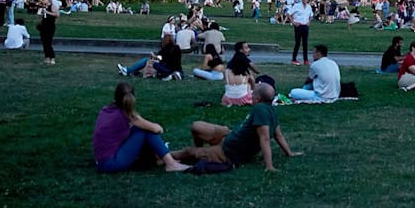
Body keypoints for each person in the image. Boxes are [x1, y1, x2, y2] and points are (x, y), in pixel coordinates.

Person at [172, 82, 303, 171]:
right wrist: (289, 153)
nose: (251, 95)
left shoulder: (260, 110)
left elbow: (265, 139)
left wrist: (269, 166)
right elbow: (278, 134)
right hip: (229, 136)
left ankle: (163, 156)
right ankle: (202, 150)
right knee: (197, 126)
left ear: (257, 99)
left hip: (228, 152)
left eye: (252, 94)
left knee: (188, 152)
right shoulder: (270, 109)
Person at [92, 82, 190, 173]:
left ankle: (157, 160)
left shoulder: (107, 109)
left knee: (138, 130)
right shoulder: (127, 116)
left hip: (102, 160)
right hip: (109, 163)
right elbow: (157, 129)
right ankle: (171, 164)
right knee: (145, 131)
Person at [223, 42, 258, 106]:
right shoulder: (245, 69)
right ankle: (251, 94)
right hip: (243, 99)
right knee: (249, 82)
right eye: (247, 48)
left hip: (227, 99)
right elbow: (256, 71)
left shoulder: (228, 68)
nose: (249, 49)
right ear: (241, 50)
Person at [286, 0, 313, 65]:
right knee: (297, 43)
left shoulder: (309, 7)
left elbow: (311, 15)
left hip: (305, 26)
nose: (305, 0)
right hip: (298, 26)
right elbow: (288, 13)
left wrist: (309, 22)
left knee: (305, 43)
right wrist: (293, 22)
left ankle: (306, 60)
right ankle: (294, 59)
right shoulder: (297, 6)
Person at [39, 0, 61, 65]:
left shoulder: (52, 6)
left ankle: (52, 57)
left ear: (47, 0)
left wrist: (47, 12)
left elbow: (57, 15)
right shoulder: (44, 7)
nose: (42, 1)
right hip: (44, 26)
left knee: (48, 42)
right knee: (44, 42)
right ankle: (47, 57)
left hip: (50, 26)